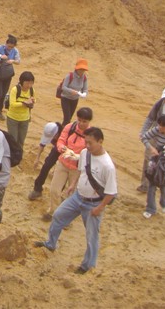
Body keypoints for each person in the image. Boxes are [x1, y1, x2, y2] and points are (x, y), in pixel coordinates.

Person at [34, 127, 117, 274]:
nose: (87, 146)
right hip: (78, 197)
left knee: (92, 235)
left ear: (100, 141)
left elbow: (111, 192)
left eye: (90, 143)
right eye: (86, 142)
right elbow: (82, 169)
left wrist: (100, 207)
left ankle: (88, 265)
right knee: (58, 215)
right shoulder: (85, 153)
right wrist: (73, 184)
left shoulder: (108, 166)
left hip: (93, 203)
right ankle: (50, 243)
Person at [44, 107, 93, 221]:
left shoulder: (91, 134)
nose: (81, 123)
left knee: (71, 195)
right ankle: (54, 211)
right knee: (54, 190)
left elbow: (91, 153)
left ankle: (65, 217)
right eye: (79, 120)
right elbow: (61, 140)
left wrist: (78, 157)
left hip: (77, 169)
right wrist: (62, 148)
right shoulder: (70, 127)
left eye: (84, 121)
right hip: (63, 163)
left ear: (89, 121)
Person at [28, 122, 62, 201]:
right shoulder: (51, 133)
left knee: (62, 173)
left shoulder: (65, 135)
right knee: (46, 166)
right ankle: (37, 189)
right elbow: (42, 144)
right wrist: (37, 158)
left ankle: (60, 194)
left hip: (66, 150)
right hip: (57, 149)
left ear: (58, 133)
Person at [5, 70, 36, 150]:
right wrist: (24, 103)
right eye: (27, 83)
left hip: (25, 119)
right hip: (13, 118)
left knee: (21, 140)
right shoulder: (15, 90)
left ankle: (18, 155)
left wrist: (32, 101)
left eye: (31, 83)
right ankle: (12, 155)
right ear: (22, 82)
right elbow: (12, 104)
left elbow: (34, 100)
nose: (29, 85)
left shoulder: (32, 90)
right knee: (13, 140)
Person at [59, 58, 89, 125]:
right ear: (77, 69)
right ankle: (63, 133)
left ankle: (63, 131)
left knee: (69, 118)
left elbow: (85, 89)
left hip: (75, 99)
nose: (82, 71)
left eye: (83, 70)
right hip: (65, 98)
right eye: (81, 69)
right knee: (67, 118)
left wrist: (84, 94)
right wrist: (71, 91)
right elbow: (63, 87)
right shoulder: (70, 76)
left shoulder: (84, 78)